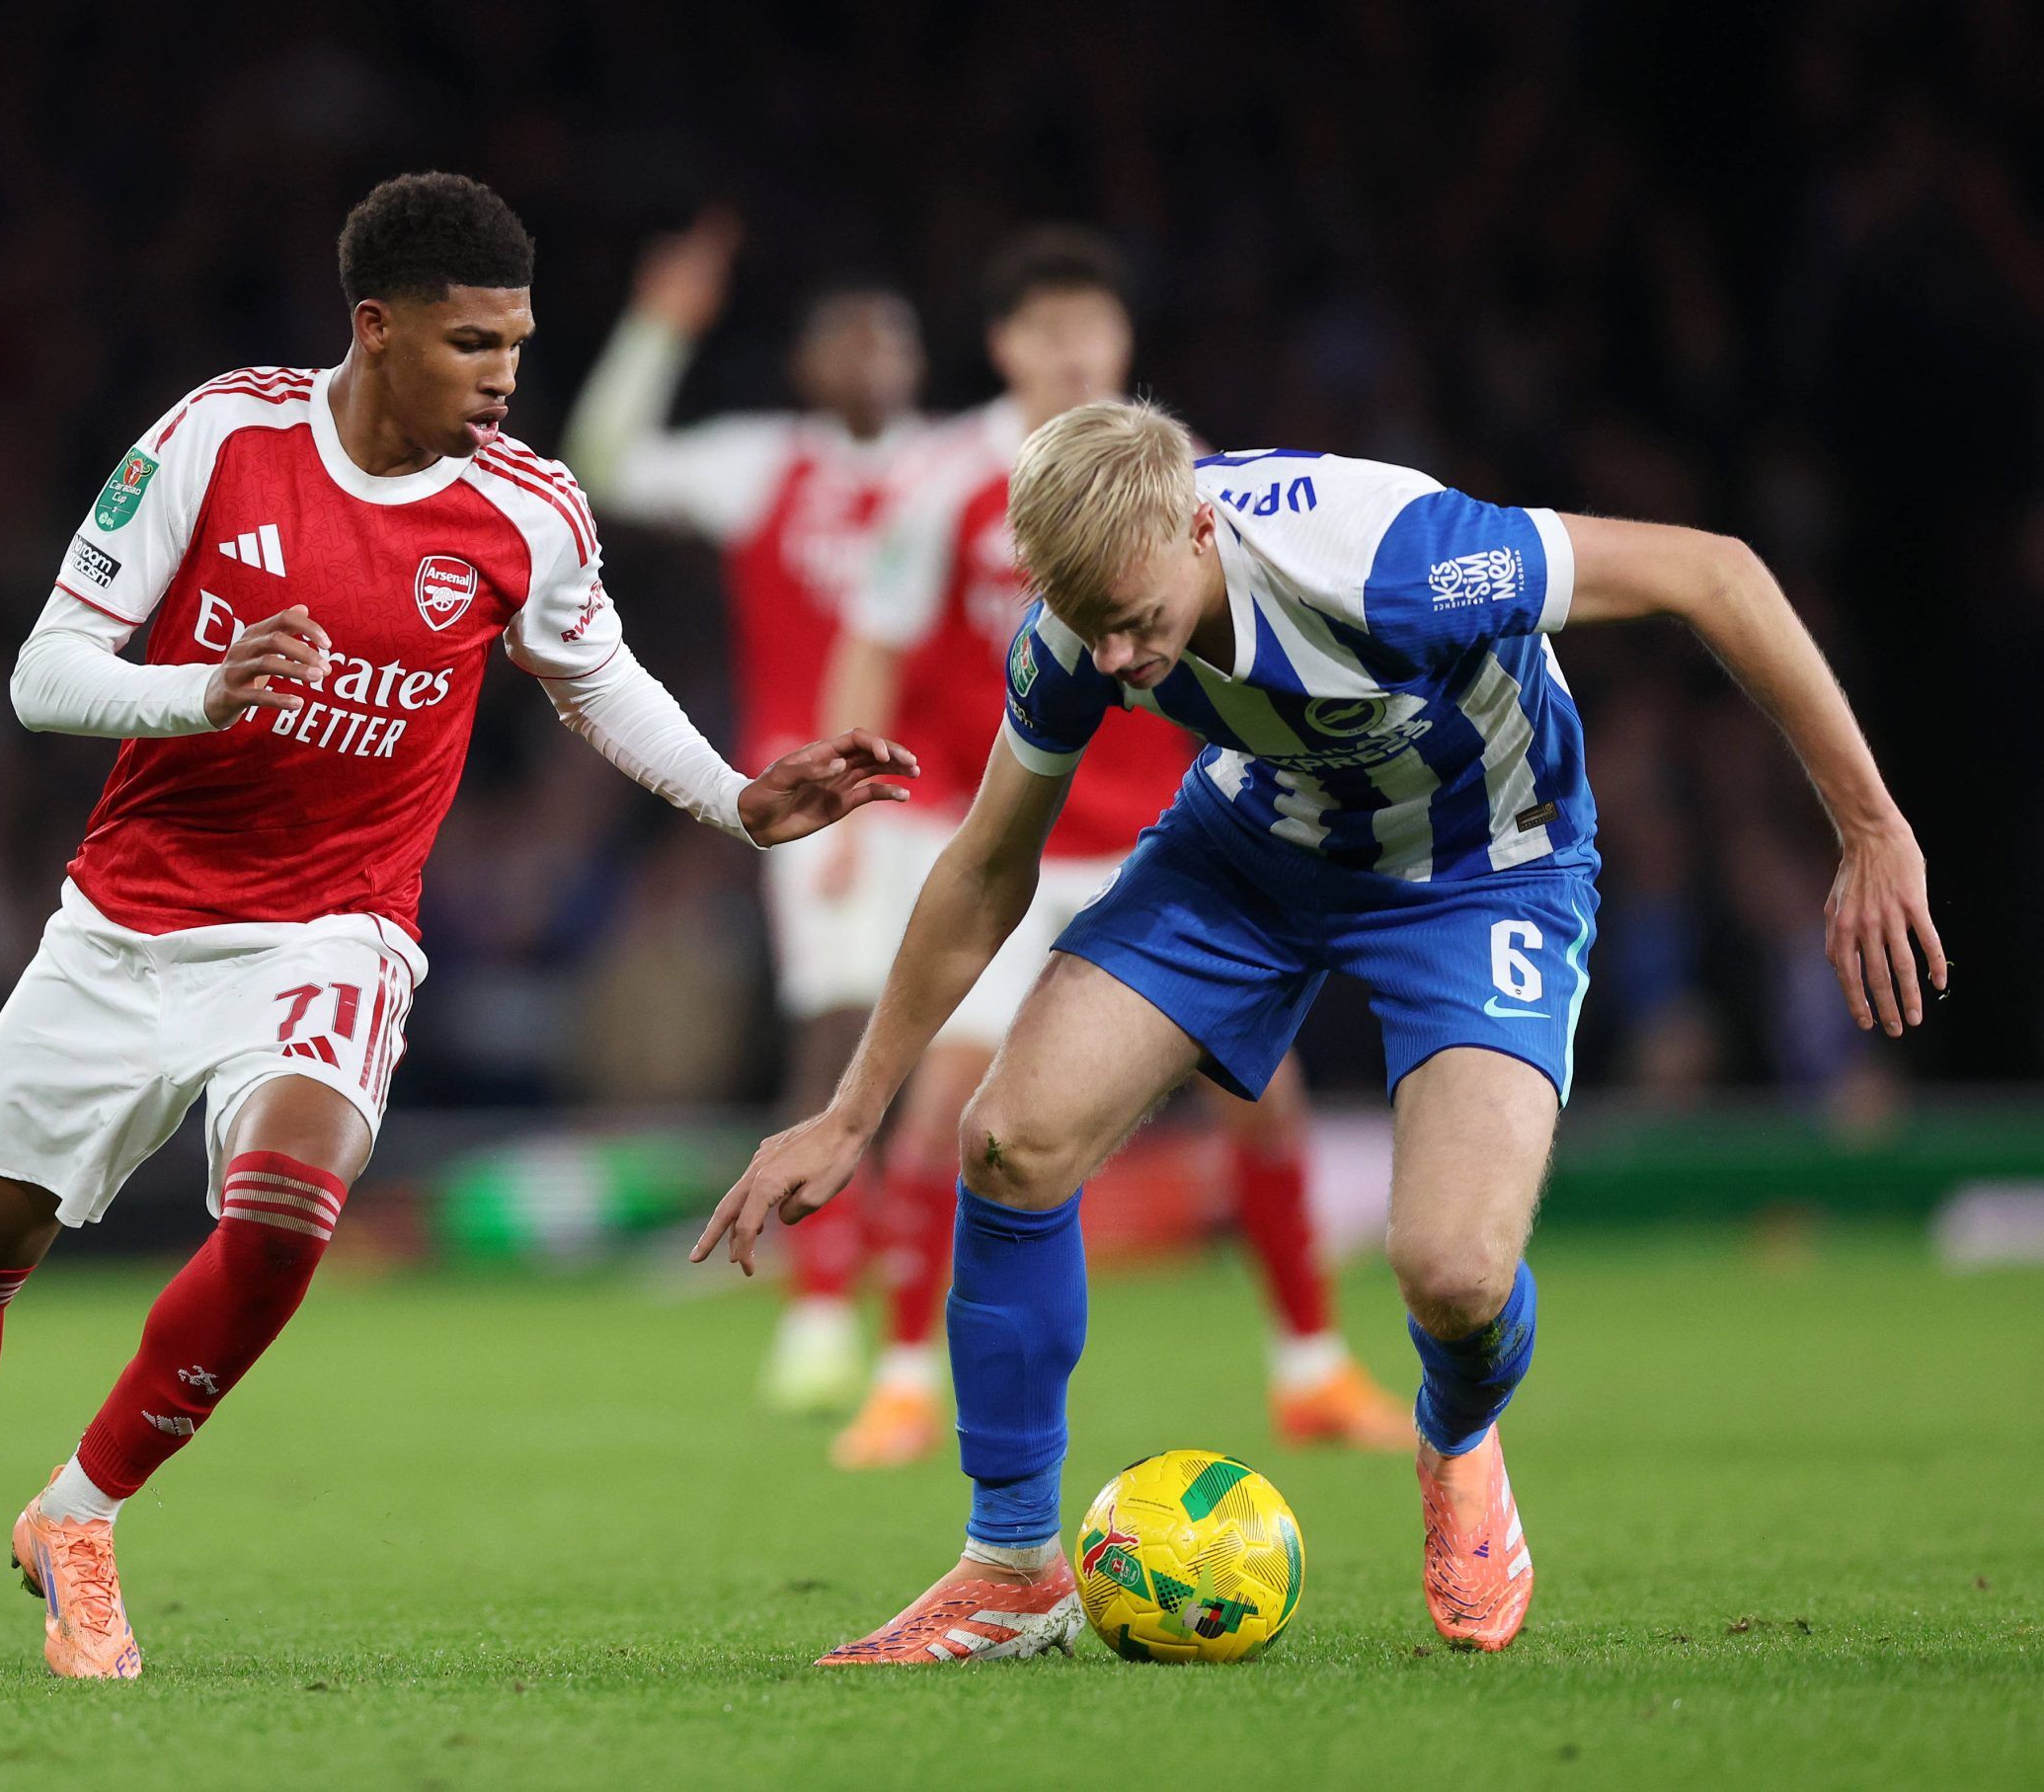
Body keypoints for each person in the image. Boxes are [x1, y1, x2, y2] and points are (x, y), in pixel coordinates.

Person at [0, 172, 913, 1680]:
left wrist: (740, 800)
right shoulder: (222, 434)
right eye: (475, 343)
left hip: (332, 930)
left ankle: (78, 1511)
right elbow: (44, 671)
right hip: (123, 923)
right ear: (378, 326)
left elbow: (597, 679)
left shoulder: (527, 512)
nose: (504, 376)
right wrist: (194, 692)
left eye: (520, 345)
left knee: (290, 1205)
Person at [696, 398, 1943, 1661]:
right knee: (1008, 1142)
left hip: (1484, 869)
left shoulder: (1388, 557)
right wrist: (853, 1111)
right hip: (1253, 853)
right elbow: (983, 868)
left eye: (1140, 621)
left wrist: (1871, 825)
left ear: (1196, 526)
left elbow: (1712, 572)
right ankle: (1011, 1568)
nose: (1123, 658)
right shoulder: (1075, 625)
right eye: (1095, 627)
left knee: (1455, 1276)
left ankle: (1454, 1434)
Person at [817, 228, 1410, 1472]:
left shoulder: (1177, 480)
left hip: (1163, 839)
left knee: (1264, 1101)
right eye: (1046, 326)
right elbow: (873, 631)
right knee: (948, 1105)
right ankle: (903, 1378)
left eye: (1092, 322)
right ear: (1004, 344)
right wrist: (846, 782)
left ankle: (1309, 1369)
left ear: (1123, 338)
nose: (1073, 345)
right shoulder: (942, 482)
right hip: (1015, 838)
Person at [561, 212, 927, 1417]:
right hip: (818, 795)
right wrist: (657, 332)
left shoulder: (964, 465)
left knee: (955, 1063)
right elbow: (605, 461)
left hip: (954, 790)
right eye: (852, 342)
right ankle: (823, 1309)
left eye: (894, 341)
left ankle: (921, 1321)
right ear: (810, 368)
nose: (875, 359)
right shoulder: (766, 462)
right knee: (833, 1034)